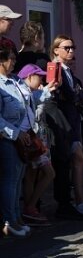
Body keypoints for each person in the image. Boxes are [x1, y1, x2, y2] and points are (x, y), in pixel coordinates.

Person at [49, 35, 83, 219]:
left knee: (77, 160)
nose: (71, 51)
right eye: (66, 48)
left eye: (72, 47)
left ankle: (78, 201)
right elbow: (60, 97)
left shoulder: (67, 70)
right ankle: (67, 203)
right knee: (68, 162)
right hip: (62, 124)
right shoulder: (55, 69)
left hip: (73, 122)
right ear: (56, 50)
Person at [17, 64, 57, 226]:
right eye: (38, 76)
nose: (40, 79)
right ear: (29, 77)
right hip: (31, 139)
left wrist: (48, 88)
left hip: (34, 139)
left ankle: (30, 209)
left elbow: (42, 95)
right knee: (48, 173)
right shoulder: (25, 92)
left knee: (31, 176)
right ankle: (30, 207)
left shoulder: (31, 92)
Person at [0, 45, 29, 237]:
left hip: (20, 135)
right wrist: (15, 133)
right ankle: (8, 221)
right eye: (11, 58)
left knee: (18, 179)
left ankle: (17, 217)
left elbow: (26, 105)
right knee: (9, 181)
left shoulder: (15, 80)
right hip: (7, 138)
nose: (14, 62)